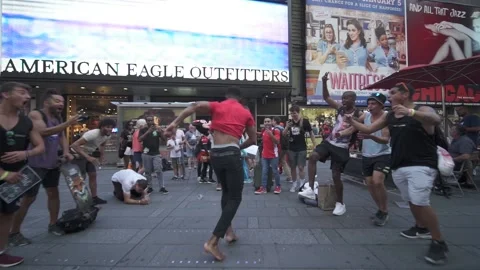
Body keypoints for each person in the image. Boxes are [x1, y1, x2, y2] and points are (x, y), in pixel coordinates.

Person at [346, 82, 448, 265]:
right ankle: (420, 227)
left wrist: (411, 113)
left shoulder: (421, 109)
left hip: (422, 164)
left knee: (420, 201)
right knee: (411, 199)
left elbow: (436, 120)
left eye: (392, 93)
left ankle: (439, 242)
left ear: (405, 93)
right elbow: (369, 129)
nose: (390, 96)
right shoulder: (391, 115)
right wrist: (351, 121)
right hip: (399, 164)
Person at [165, 87, 256, 261]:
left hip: (215, 154)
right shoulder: (245, 112)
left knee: (226, 193)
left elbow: (193, 106)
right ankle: (213, 241)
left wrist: (174, 123)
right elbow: (252, 139)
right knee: (235, 197)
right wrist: (237, 147)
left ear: (226, 96)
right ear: (240, 99)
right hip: (231, 153)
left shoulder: (217, 106)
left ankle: (229, 232)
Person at [9, 89, 80, 248]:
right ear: (46, 102)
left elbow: (61, 135)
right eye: (57, 101)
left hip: (52, 163)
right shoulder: (36, 115)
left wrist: (67, 152)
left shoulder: (57, 117)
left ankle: (53, 224)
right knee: (28, 199)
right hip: (35, 164)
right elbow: (43, 132)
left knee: (53, 193)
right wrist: (68, 123)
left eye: (62, 101)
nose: (61, 104)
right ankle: (14, 233)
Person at [300, 72, 360, 216]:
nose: (344, 100)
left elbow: (354, 128)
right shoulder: (340, 109)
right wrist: (324, 82)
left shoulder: (358, 114)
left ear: (353, 100)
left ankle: (340, 203)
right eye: (343, 98)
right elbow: (326, 97)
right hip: (330, 142)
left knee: (335, 175)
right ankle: (310, 186)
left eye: (347, 98)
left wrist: (342, 134)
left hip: (342, 147)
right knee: (313, 156)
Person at [0, 82, 45, 268]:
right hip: (5, 175)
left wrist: (25, 154)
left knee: (7, 213)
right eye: (21, 93)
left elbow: (40, 146)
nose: (27, 97)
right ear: (5, 94)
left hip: (15, 177)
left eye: (28, 94)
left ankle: (1, 253)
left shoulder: (26, 122)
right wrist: (3, 174)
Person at [348, 93, 391, 225]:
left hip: (383, 154)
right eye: (369, 103)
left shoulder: (386, 117)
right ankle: (381, 209)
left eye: (373, 104)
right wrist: (340, 133)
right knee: (370, 184)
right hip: (367, 155)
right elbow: (354, 126)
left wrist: (371, 136)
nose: (370, 106)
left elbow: (385, 140)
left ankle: (384, 210)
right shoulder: (366, 115)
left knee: (378, 181)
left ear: (381, 105)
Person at [70, 118, 116, 205]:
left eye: (111, 127)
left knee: (93, 174)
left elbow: (102, 144)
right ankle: (81, 200)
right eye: (107, 127)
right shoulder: (93, 134)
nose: (110, 129)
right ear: (102, 127)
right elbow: (74, 145)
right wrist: (88, 157)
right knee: (80, 179)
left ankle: (94, 198)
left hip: (88, 154)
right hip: (77, 154)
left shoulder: (107, 135)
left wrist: (102, 156)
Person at [283, 105, 316, 192]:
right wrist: (287, 127)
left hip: (302, 147)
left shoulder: (304, 121)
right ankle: (294, 183)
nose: (293, 115)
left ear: (298, 112)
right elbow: (283, 134)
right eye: (291, 113)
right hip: (291, 148)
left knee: (301, 167)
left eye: (294, 113)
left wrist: (315, 144)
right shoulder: (289, 122)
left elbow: (311, 133)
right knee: (293, 167)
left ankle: (302, 183)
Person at [138, 116, 168, 194]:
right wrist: (148, 131)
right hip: (146, 153)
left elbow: (164, 140)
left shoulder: (157, 129)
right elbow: (139, 139)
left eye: (151, 120)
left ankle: (162, 187)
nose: (150, 122)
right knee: (147, 171)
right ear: (146, 121)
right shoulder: (143, 130)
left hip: (156, 153)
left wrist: (161, 132)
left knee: (158, 169)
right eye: (148, 120)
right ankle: (149, 187)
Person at [255, 117, 282, 194]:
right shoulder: (264, 131)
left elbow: (277, 141)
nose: (267, 123)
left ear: (271, 123)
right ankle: (263, 188)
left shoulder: (275, 131)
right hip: (264, 155)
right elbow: (261, 134)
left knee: (275, 171)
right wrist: (254, 132)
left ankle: (278, 187)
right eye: (265, 121)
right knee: (264, 171)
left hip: (274, 155)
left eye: (268, 121)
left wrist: (270, 134)